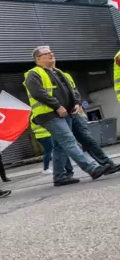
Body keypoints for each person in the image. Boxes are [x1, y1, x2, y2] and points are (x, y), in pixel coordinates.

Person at [24, 46, 112, 186]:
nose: (51, 54)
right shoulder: (33, 74)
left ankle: (59, 177)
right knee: (69, 141)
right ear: (38, 59)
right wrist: (57, 106)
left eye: (52, 52)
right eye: (47, 54)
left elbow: (72, 90)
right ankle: (92, 168)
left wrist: (76, 103)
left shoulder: (59, 73)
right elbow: (38, 93)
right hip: (49, 114)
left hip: (66, 113)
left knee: (59, 145)